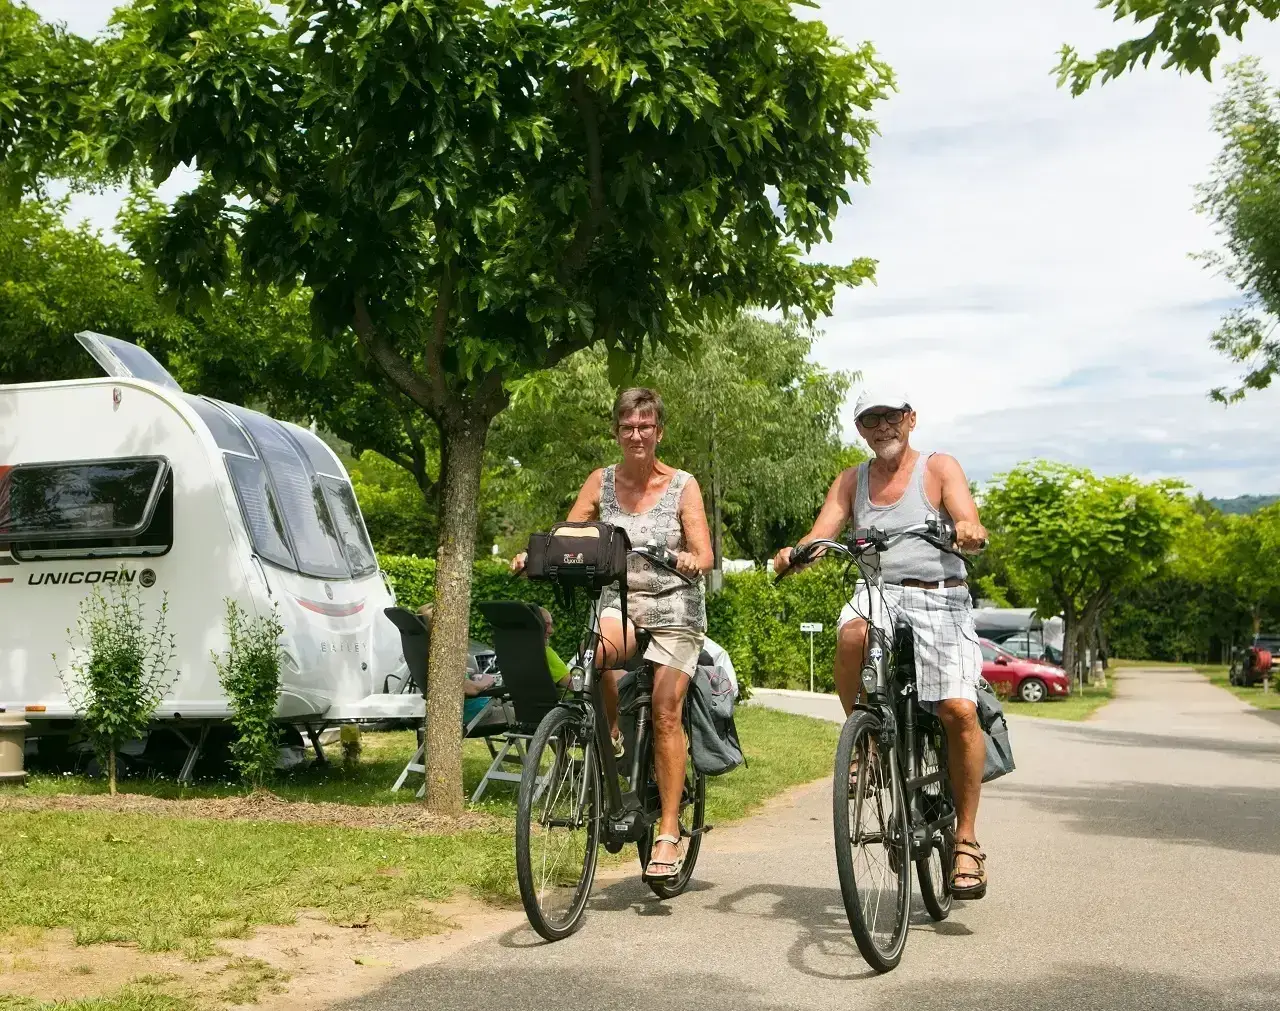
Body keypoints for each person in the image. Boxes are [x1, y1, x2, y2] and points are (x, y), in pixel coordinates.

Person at [771, 389, 991, 900]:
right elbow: (821, 533)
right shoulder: (852, 480)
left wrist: (968, 528)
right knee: (852, 633)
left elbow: (967, 517)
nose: (882, 427)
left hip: (940, 597)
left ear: (910, 420)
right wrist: (796, 554)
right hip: (878, 593)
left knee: (959, 710)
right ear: (861, 430)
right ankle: (866, 738)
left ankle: (966, 840)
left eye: (891, 416)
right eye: (870, 420)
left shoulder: (938, 468)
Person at [514, 387, 713, 880]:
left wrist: (690, 559)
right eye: (628, 426)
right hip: (620, 601)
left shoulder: (683, 485)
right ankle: (613, 735)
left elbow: (705, 554)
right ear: (617, 432)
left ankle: (668, 831)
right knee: (594, 657)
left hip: (674, 606)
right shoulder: (600, 481)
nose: (636, 434)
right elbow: (569, 533)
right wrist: (534, 555)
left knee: (665, 711)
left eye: (645, 426)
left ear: (659, 431)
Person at [418, 603, 498, 728]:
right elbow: (470, 689)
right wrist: (487, 681)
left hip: (445, 711)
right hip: (470, 713)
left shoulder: (426, 651)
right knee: (519, 713)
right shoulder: (444, 654)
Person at [538, 606, 571, 688]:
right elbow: (576, 685)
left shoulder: (510, 651)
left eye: (551, 625)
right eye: (546, 625)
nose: (551, 631)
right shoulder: (543, 653)